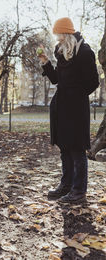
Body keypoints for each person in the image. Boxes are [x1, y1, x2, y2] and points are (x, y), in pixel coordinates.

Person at [38, 17, 99, 203]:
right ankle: (66, 185)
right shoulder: (61, 52)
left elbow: (93, 82)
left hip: (76, 108)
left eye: (59, 35)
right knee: (64, 147)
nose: (57, 39)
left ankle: (78, 191)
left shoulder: (85, 52)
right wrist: (46, 62)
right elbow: (57, 79)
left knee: (77, 149)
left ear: (66, 33)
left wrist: (77, 96)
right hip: (61, 106)